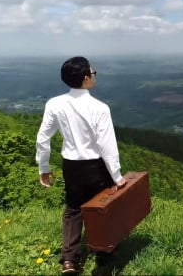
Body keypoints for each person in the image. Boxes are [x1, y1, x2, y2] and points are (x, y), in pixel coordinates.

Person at [36, 56, 126, 274]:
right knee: (102, 208)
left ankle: (69, 259)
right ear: (86, 79)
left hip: (72, 166)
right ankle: (104, 252)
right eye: (92, 72)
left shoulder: (54, 104)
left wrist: (44, 168)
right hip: (96, 166)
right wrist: (117, 175)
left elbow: (42, 138)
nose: (94, 74)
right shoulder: (100, 108)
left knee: (73, 210)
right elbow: (107, 145)